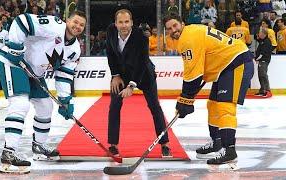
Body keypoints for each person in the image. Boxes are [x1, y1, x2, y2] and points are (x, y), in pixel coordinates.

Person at [0, 11, 86, 174]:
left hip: (34, 73)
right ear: (67, 20)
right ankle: (9, 152)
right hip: (13, 63)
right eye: (75, 22)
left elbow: (64, 74)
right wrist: (16, 47)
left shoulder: (74, 49)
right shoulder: (53, 26)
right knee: (20, 104)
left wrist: (65, 100)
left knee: (45, 106)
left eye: (81, 25)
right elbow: (22, 21)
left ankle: (39, 146)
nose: (77, 26)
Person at [163, 13, 254, 166]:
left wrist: (185, 100)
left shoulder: (188, 38)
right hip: (224, 67)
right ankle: (217, 142)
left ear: (182, 23)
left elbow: (193, 75)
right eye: (169, 28)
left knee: (225, 106)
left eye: (175, 25)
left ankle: (229, 150)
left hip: (236, 62)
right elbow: (194, 71)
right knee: (212, 104)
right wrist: (186, 99)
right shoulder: (190, 34)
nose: (173, 30)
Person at [106, 9, 172, 157]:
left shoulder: (141, 37)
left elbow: (142, 63)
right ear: (115, 23)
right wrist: (115, 75)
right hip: (121, 75)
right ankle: (113, 145)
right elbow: (110, 53)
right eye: (120, 22)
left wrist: (131, 85)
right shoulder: (110, 31)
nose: (124, 25)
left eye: (127, 22)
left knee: (154, 106)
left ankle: (165, 144)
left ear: (132, 23)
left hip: (143, 75)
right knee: (114, 105)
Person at [255, 27, 273, 97]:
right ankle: (262, 90)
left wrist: (257, 58)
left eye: (260, 33)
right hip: (261, 60)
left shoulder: (266, 41)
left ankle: (267, 90)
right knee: (260, 75)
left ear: (263, 34)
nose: (258, 34)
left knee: (263, 75)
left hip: (264, 60)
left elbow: (263, 53)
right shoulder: (262, 41)